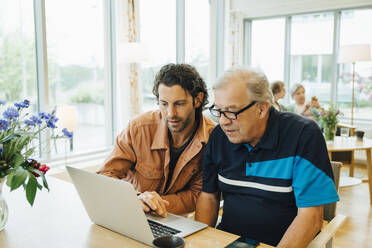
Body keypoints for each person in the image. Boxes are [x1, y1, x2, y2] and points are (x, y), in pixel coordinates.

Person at [195, 68, 339, 247]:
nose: (223, 121)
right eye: (219, 111)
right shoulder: (219, 136)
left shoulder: (303, 135)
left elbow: (311, 217)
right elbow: (208, 197)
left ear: (262, 109)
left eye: (232, 111)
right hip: (230, 242)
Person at [97, 63, 215, 217]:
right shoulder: (139, 128)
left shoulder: (212, 138)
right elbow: (105, 176)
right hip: (132, 212)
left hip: (174, 219)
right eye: (164, 104)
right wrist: (137, 199)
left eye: (179, 104)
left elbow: (198, 195)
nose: (170, 113)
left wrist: (155, 204)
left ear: (198, 100)